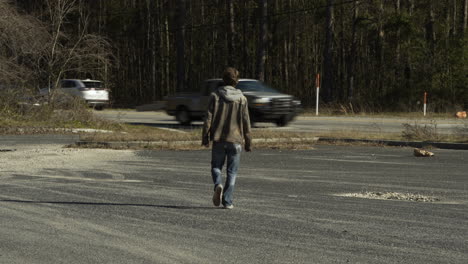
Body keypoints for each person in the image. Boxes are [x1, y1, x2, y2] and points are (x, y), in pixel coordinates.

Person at [202, 67, 252, 209]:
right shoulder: (242, 99)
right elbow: (246, 121)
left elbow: (208, 119)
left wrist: (205, 137)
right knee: (232, 171)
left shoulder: (215, 96)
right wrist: (248, 142)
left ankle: (218, 184)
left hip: (218, 138)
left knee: (216, 166)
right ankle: (228, 201)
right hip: (235, 139)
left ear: (223, 80)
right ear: (237, 81)